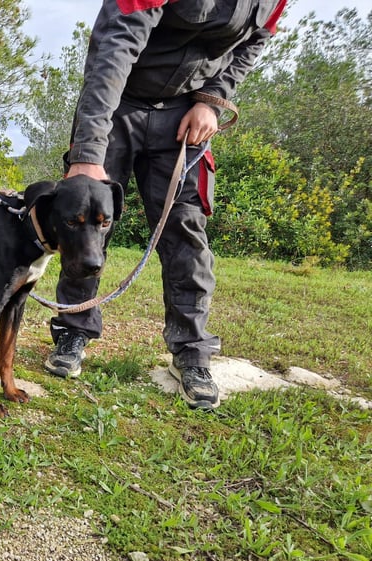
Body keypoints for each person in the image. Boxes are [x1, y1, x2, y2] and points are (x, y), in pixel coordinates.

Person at [44, 0, 287, 409]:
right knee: (86, 224)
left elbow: (255, 41)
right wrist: (88, 150)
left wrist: (211, 100)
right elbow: (114, 47)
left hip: (184, 115)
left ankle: (192, 354)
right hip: (117, 104)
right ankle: (73, 329)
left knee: (186, 232)